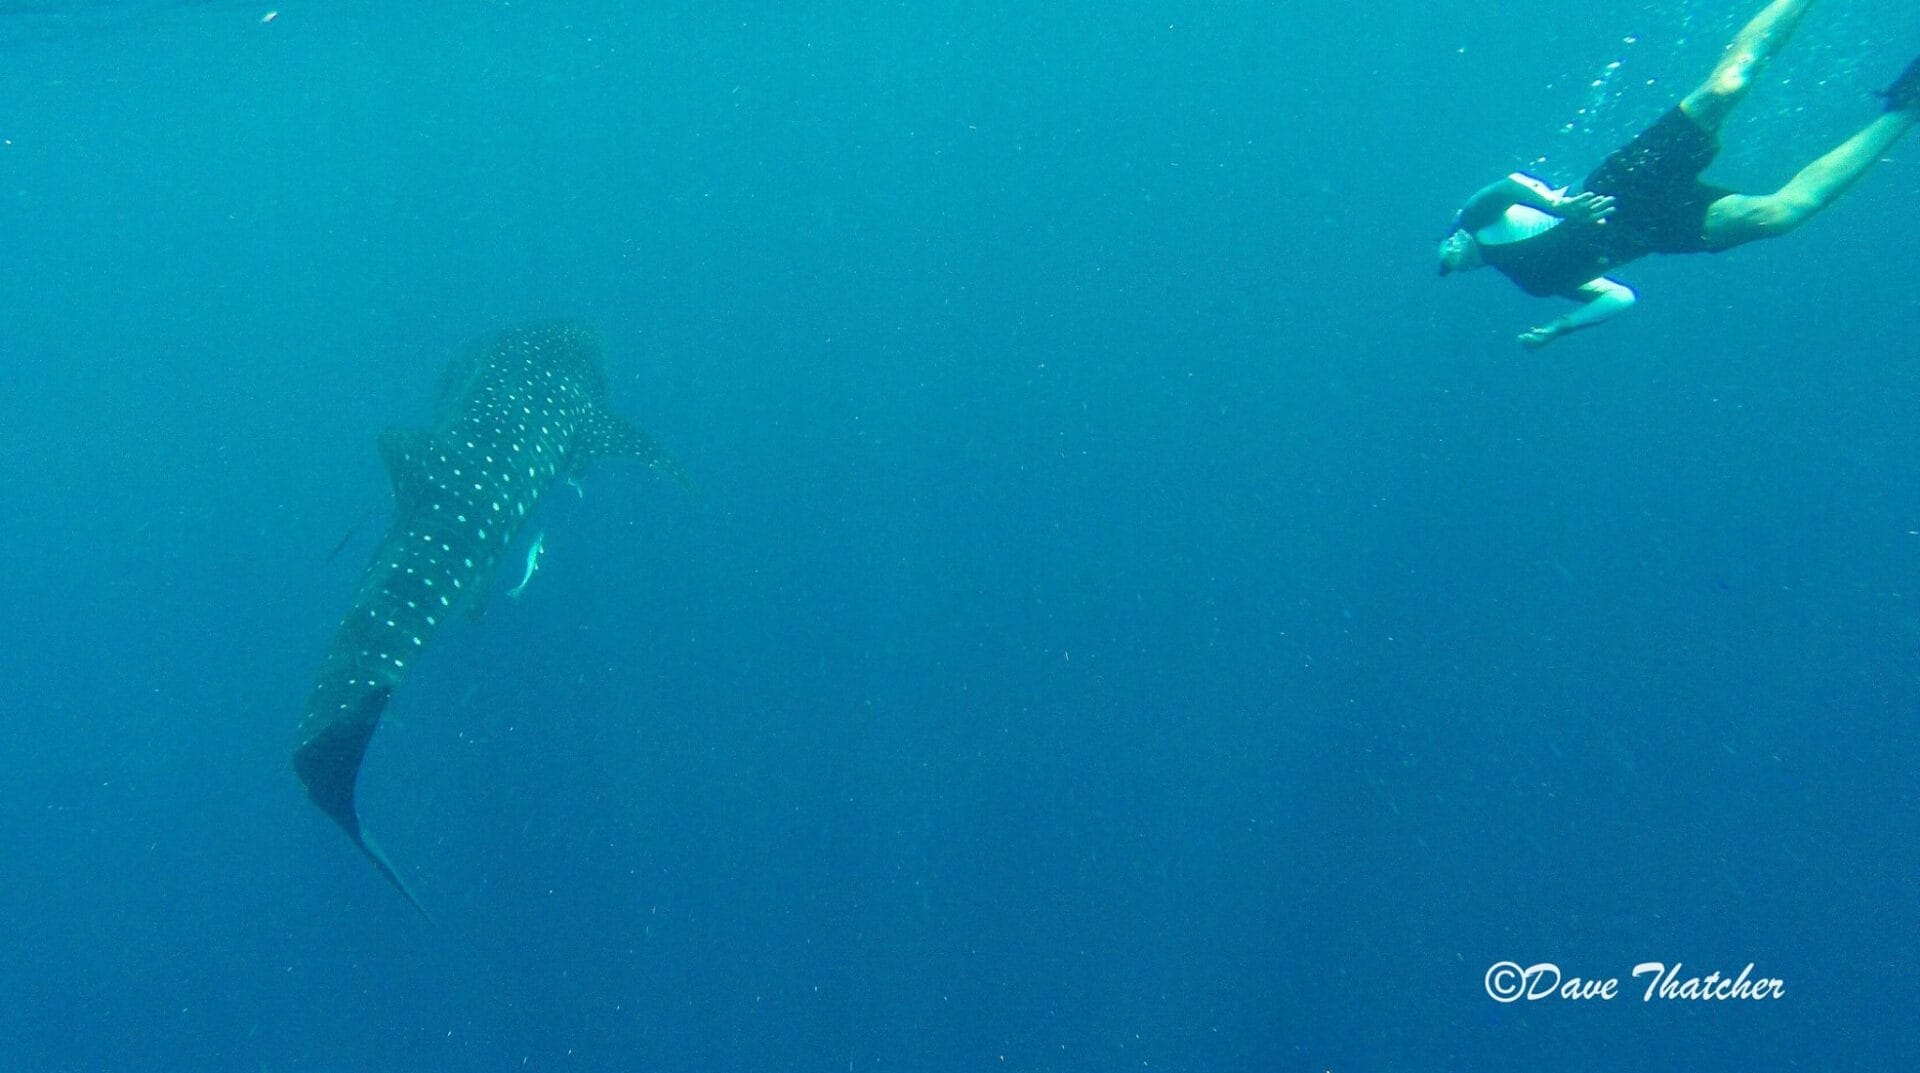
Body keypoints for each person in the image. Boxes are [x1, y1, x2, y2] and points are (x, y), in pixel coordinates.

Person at [1437, 0, 1920, 350]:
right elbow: (1621, 296)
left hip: (1621, 184)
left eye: (1446, 252)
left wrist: (1561, 206)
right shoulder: (1534, 284)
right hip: (1654, 232)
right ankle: (1905, 111)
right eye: (1448, 268)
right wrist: (1561, 327)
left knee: (1727, 86)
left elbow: (1507, 184)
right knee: (1780, 215)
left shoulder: (1475, 220)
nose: (1451, 259)